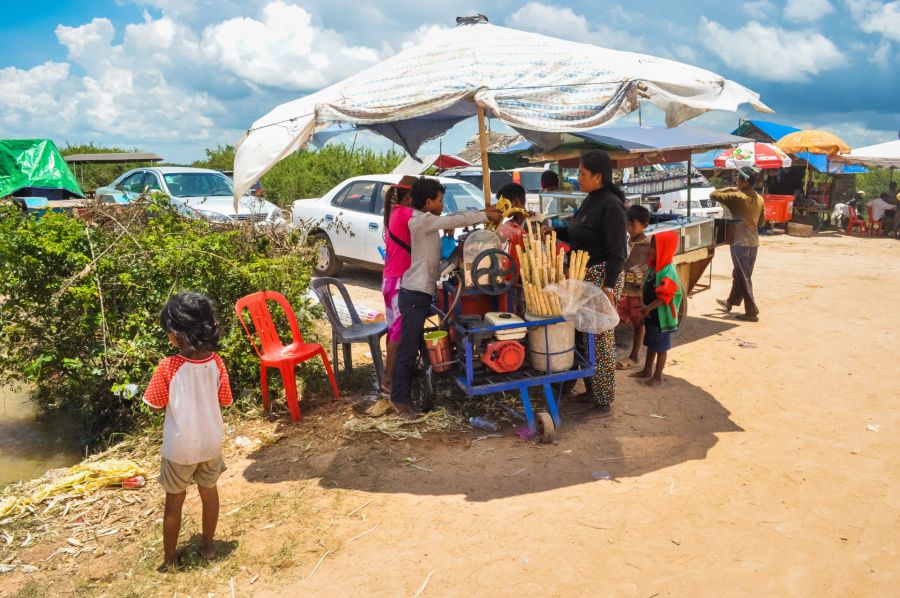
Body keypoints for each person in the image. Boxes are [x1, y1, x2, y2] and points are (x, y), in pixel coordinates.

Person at [390, 177, 501, 416]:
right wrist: (484, 214)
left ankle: (421, 389)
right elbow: (455, 218)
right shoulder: (421, 221)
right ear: (428, 202)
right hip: (414, 293)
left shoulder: (427, 221)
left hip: (420, 291)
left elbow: (452, 219)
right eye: (440, 200)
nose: (442, 204)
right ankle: (399, 399)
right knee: (407, 349)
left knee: (417, 345)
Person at [143, 292, 232, 568]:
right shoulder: (216, 362)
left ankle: (170, 559)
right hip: (210, 443)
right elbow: (225, 400)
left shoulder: (168, 367)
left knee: (174, 501)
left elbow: (153, 405)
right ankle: (208, 547)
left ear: (174, 333)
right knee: (210, 492)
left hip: (180, 448)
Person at [543, 150, 627, 415]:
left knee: (600, 338)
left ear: (598, 177)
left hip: (602, 277)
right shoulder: (591, 200)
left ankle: (603, 399)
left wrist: (609, 287)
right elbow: (576, 232)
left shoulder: (611, 205)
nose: (577, 178)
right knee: (584, 335)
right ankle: (591, 389)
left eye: (582, 173)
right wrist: (553, 229)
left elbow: (618, 252)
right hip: (585, 276)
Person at [711, 165, 766, 322]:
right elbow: (761, 223)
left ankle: (751, 311)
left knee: (743, 276)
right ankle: (730, 302)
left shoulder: (737, 197)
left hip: (739, 241)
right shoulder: (760, 199)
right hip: (753, 242)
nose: (736, 181)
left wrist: (729, 188)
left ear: (744, 182)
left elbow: (713, 194)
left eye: (738, 179)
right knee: (741, 274)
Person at [630, 231, 683, 386]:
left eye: (655, 248)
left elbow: (664, 296)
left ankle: (658, 377)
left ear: (665, 249)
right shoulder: (655, 267)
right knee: (652, 342)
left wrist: (647, 308)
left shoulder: (668, 271)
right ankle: (647, 370)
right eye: (652, 247)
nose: (651, 250)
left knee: (661, 346)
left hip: (661, 315)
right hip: (652, 313)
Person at [381, 175, 418, 395]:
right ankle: (388, 381)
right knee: (397, 331)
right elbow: (432, 217)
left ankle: (390, 375)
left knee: (393, 328)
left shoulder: (394, 212)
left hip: (389, 279)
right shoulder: (405, 213)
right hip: (398, 281)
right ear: (409, 197)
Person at [616, 204, 652, 370]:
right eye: (627, 224)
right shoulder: (626, 241)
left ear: (644, 225)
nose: (629, 228)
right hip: (623, 287)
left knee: (638, 323)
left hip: (638, 290)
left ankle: (635, 356)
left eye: (633, 225)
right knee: (616, 319)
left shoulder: (649, 244)